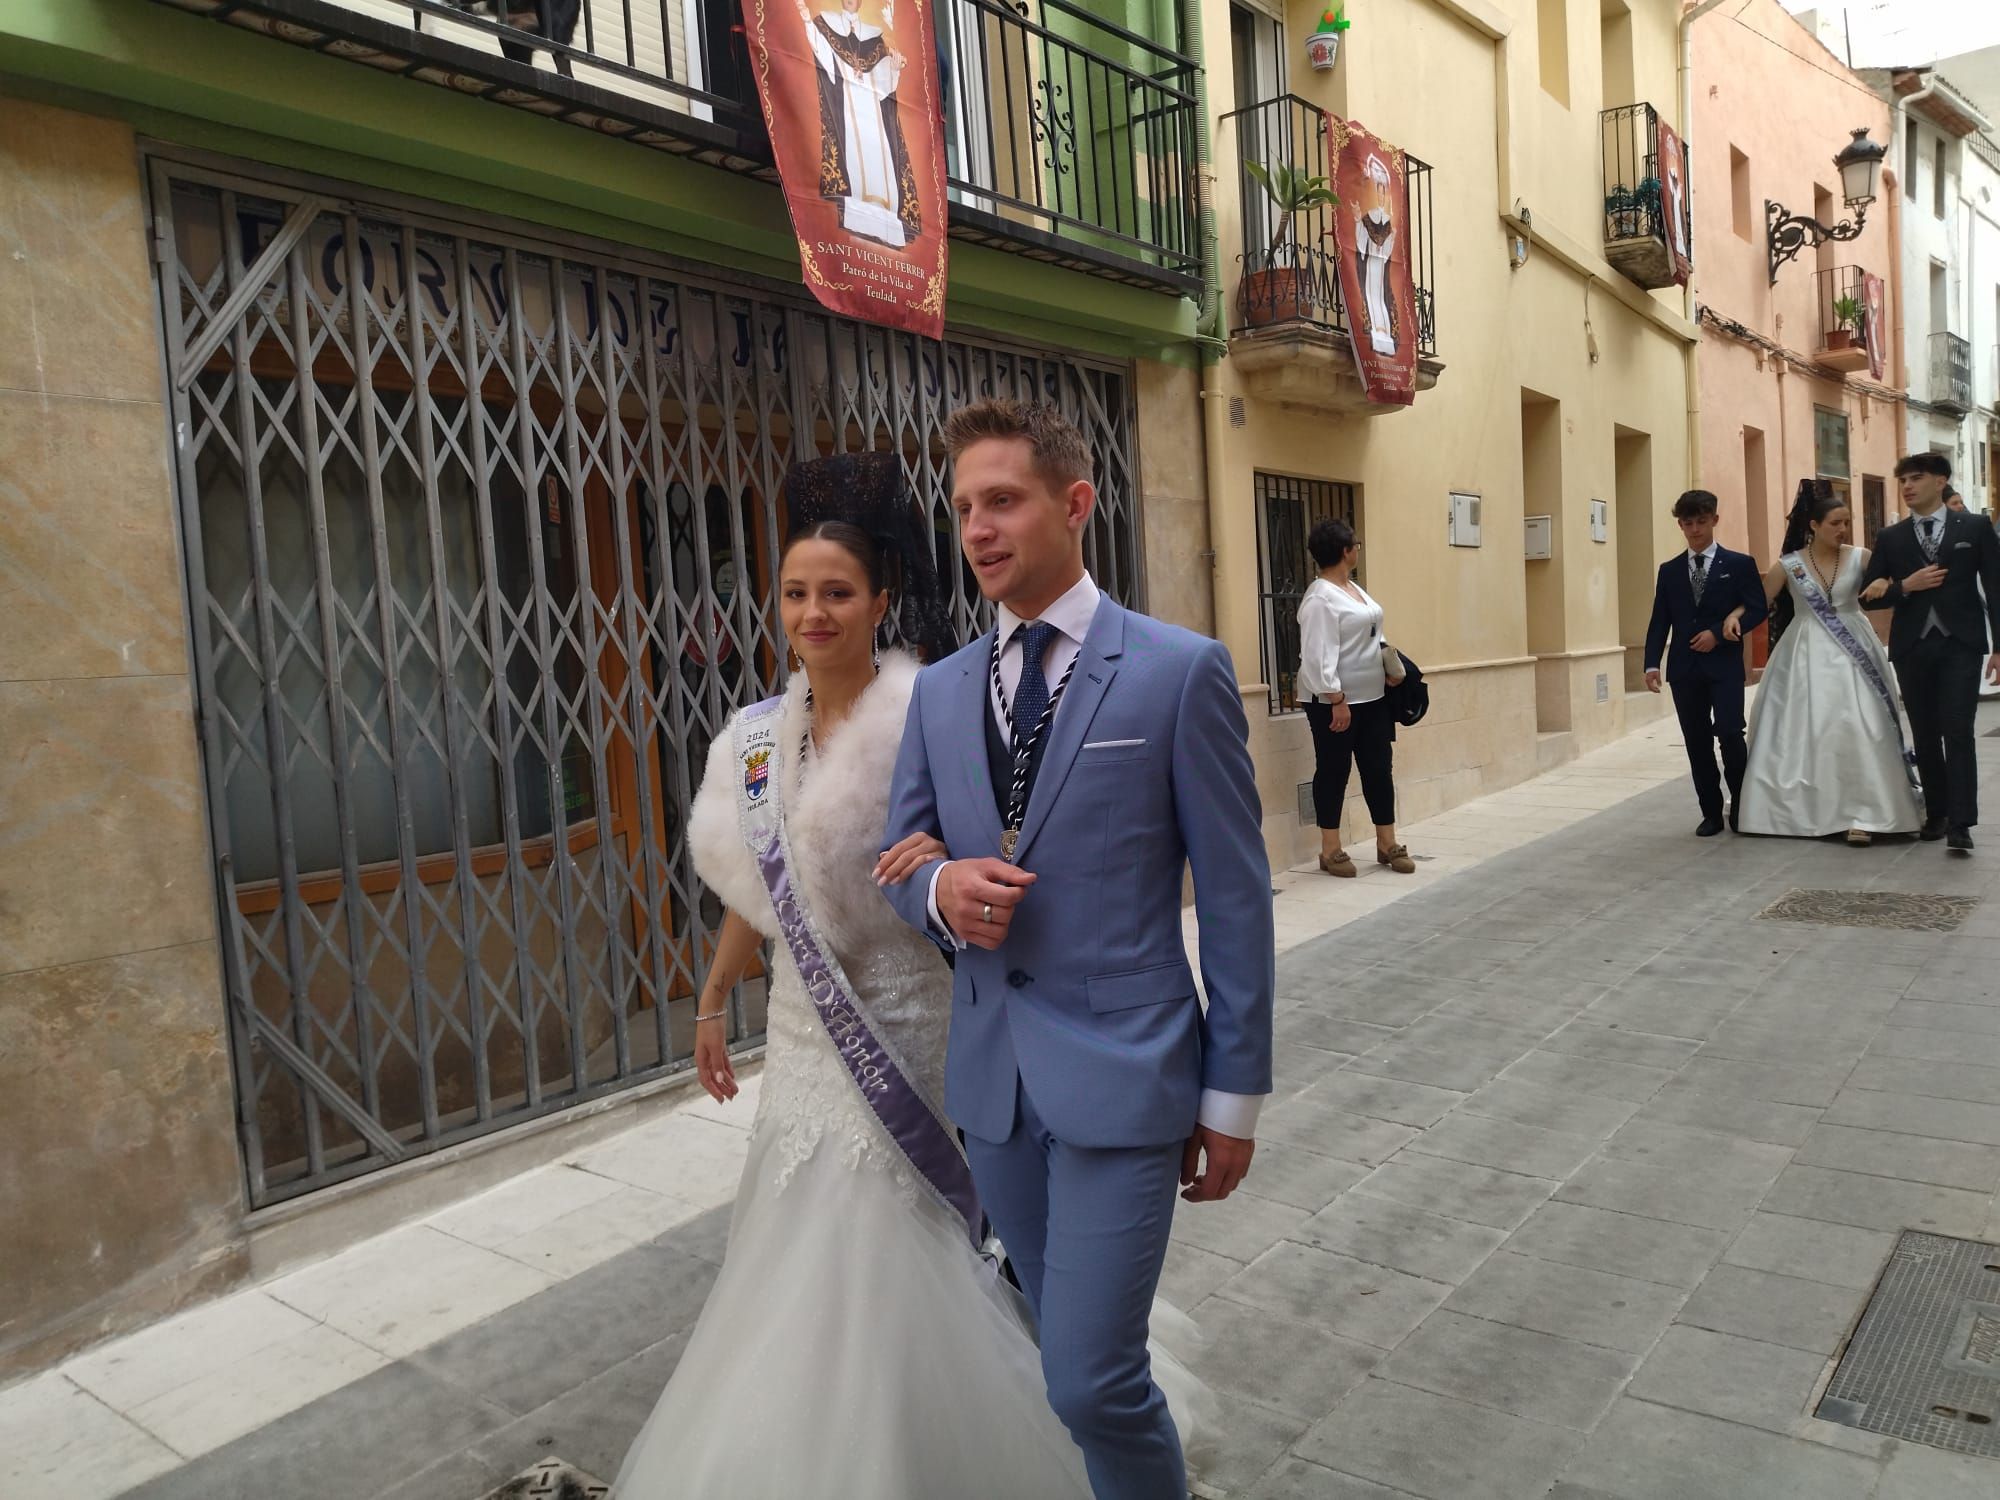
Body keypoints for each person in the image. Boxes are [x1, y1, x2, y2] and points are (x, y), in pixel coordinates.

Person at [615, 456, 1123, 1498]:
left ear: (880, 600)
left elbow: (997, 854)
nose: (813, 612)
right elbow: (758, 894)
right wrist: (714, 1000)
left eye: (836, 593)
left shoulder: (929, 718)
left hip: (912, 1019)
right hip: (804, 1031)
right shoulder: (754, 741)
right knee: (796, 1242)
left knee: (910, 1230)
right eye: (796, 593)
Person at [876, 398, 1274, 1500]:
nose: (978, 530)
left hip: (1128, 1067)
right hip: (993, 1084)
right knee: (1063, 1362)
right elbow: (898, 856)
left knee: (1092, 1378)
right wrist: (944, 891)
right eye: (963, 509)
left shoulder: (1173, 671)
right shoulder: (942, 691)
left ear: (1074, 502)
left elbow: (1236, 900)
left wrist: (1231, 1095)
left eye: (1001, 500)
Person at [1736, 481, 1921, 845]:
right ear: (1814, 526)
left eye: (1846, 522)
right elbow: (1759, 603)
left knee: (1858, 725)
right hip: (1803, 651)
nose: (1843, 529)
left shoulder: (1862, 557)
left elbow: (1886, 584)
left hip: (1855, 648)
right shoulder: (1789, 566)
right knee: (1805, 726)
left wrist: (1889, 583)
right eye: (1835, 523)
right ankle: (1799, 811)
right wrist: (1736, 615)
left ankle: (1865, 811)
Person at [1860, 452, 2000, 851]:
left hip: (1961, 644)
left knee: (1957, 731)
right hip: (1912, 647)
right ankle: (1936, 813)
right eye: (1902, 480)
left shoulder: (1974, 527)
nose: (1906, 486)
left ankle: (1961, 822)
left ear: (1940, 481)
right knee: (1924, 732)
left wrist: (1999, 648)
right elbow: (1868, 598)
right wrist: (1906, 585)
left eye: (1915, 478)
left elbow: (1995, 587)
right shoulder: (1891, 537)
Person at [1643, 489, 1769, 836]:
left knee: (1730, 732)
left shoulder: (1740, 564)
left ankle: (1743, 807)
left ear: (1714, 519)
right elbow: (1659, 620)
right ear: (1680, 525)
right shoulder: (1669, 571)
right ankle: (1710, 812)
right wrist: (1651, 663)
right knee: (1696, 741)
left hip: (1725, 665)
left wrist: (1720, 631)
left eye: (1701, 521)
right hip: (1684, 670)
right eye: (1688, 523)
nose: (1695, 529)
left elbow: (1758, 607)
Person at [1295, 517, 1415, 876]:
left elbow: (1370, 634)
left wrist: (1389, 668)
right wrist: (1336, 699)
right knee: (1334, 771)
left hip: (1373, 698)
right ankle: (1330, 849)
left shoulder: (1353, 589)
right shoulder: (1320, 599)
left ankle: (1386, 842)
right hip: (1335, 703)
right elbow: (1318, 655)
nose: (1358, 550)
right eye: (1355, 545)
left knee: (1379, 768)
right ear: (1346, 551)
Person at [799, 0, 920, 248]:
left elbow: (885, 84)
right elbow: (822, 52)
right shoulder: (827, 23)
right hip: (849, 104)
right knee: (855, 160)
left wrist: (894, 69)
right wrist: (804, 19)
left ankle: (887, 225)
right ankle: (857, 217)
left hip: (872, 112)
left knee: (880, 164)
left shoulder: (874, 36)